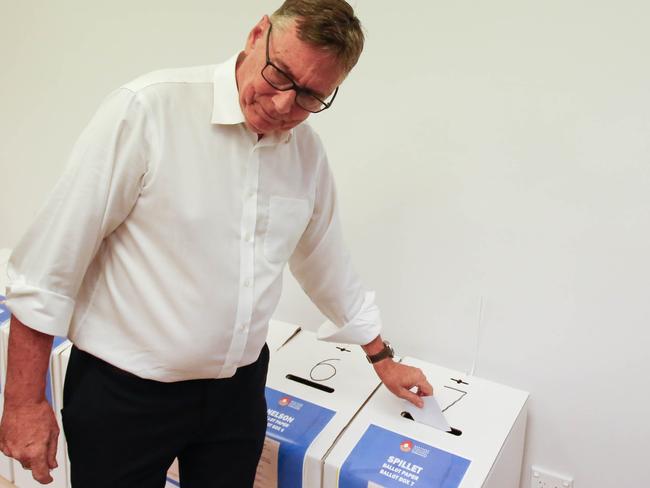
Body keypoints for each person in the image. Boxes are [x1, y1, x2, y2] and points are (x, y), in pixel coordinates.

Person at [0, 1, 433, 486]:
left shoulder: (306, 154)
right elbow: (49, 266)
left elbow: (324, 260)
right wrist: (23, 401)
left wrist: (381, 357)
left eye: (312, 95)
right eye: (280, 74)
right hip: (124, 396)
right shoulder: (147, 111)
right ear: (256, 35)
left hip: (236, 395)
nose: (284, 105)